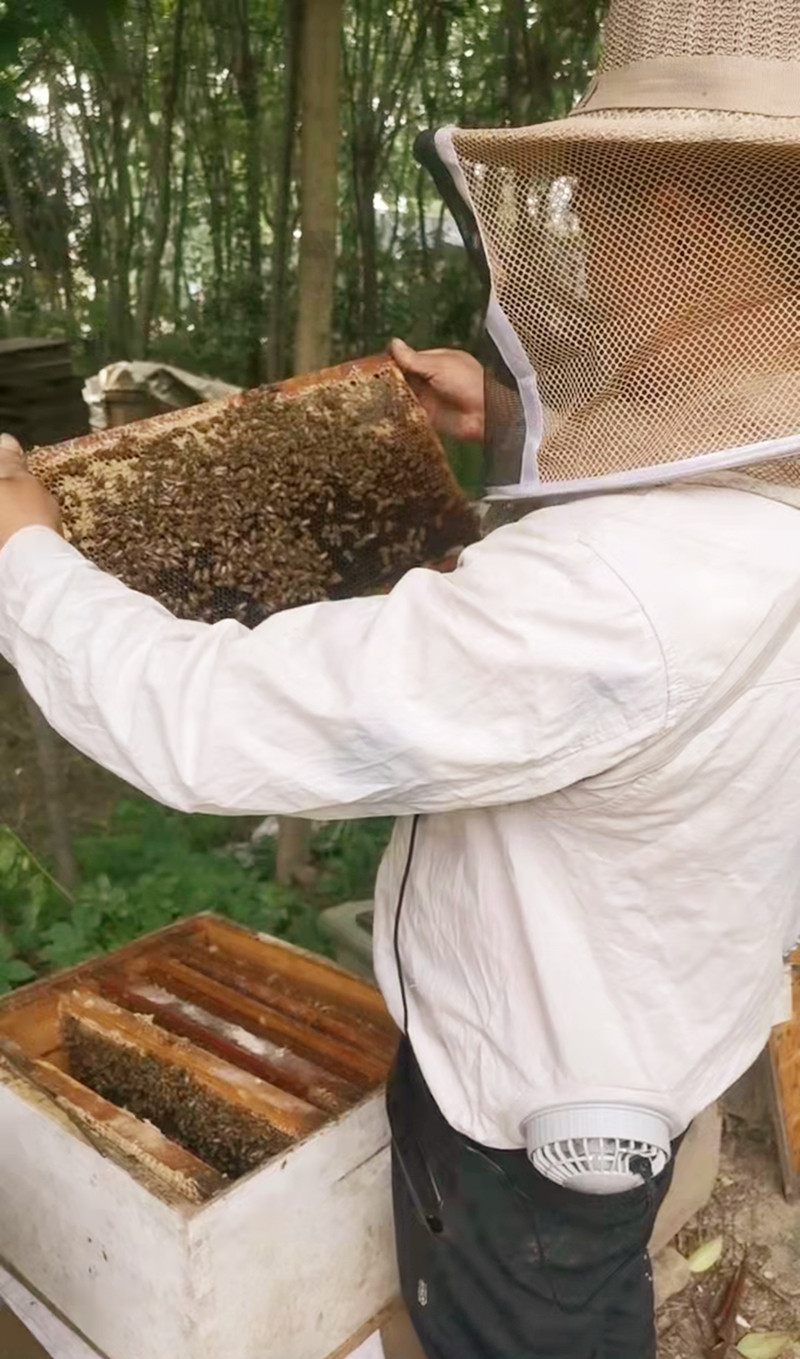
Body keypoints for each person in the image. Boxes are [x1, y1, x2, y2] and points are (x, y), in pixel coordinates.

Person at [4, 0, 800, 1355]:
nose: (579, 242)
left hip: (527, 1128)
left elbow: (209, 724)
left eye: (597, 203)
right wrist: (503, 432)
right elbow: (686, 538)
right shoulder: (744, 507)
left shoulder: (615, 598)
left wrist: (23, 553)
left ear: (675, 220)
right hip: (662, 1028)